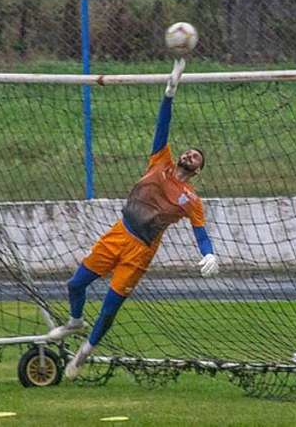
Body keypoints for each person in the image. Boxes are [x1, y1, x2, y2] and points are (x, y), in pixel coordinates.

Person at [47, 60, 219, 379]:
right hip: (118, 233)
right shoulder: (160, 162)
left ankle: (85, 352)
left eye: (196, 157)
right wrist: (169, 94)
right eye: (189, 151)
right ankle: (74, 321)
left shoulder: (191, 199)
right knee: (75, 284)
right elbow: (162, 127)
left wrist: (208, 252)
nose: (189, 155)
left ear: (199, 169)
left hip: (141, 250)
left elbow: (200, 231)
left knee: (111, 306)